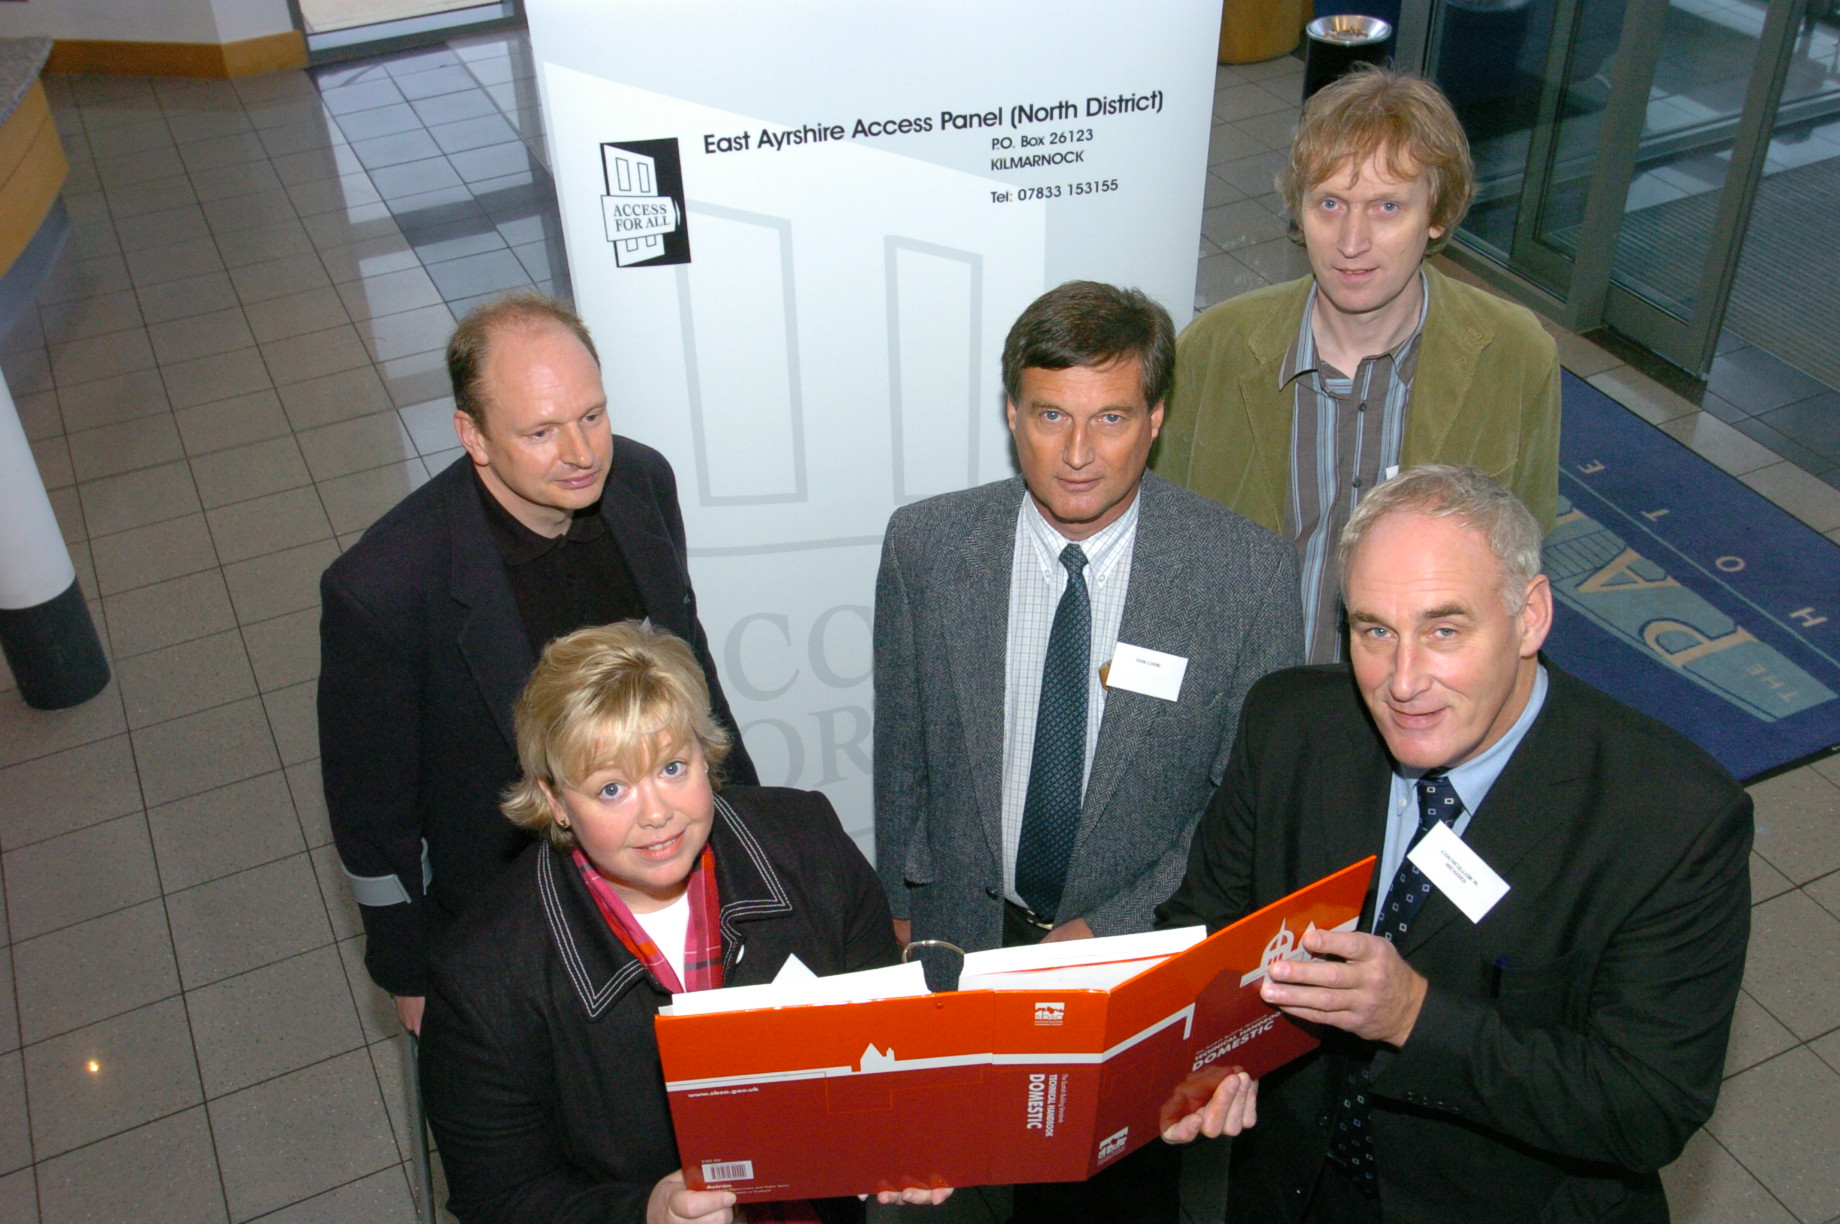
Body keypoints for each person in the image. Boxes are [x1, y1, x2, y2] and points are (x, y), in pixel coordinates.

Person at [1159, 465, 1752, 1223]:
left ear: (1531, 616)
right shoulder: (1290, 728)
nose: (1403, 681)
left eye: (1444, 630)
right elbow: (1203, 925)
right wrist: (1210, 1054)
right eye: (1374, 630)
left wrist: (1415, 1017)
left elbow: (1647, 1106)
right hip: (1290, 1191)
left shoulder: (1672, 820)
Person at [873, 280, 1302, 1222]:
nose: (1076, 453)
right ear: (1011, 416)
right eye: (1049, 416)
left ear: (1155, 418)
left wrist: (1111, 929)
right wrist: (902, 917)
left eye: (1109, 417)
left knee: (1111, 1202)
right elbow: (902, 746)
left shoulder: (1246, 576)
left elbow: (1242, 809)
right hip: (959, 952)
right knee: (951, 1192)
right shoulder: (928, 547)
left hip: (1134, 967)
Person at [319, 292, 756, 1036]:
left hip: (665, 876)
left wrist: (749, 831)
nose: (583, 454)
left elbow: (695, 681)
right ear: (474, 436)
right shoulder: (383, 591)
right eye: (542, 432)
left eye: (592, 415)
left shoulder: (643, 482)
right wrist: (407, 971)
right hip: (514, 911)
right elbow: (372, 816)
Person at [419, 621, 945, 1223]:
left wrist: (906, 1132)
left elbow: (889, 1034)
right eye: (611, 788)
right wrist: (644, 1213)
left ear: (705, 752)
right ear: (556, 801)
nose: (657, 814)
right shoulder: (482, 979)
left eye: (672, 768)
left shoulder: (808, 842)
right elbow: (499, 1201)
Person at [1153, 66, 1560, 664]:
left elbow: (1522, 553)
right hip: (1252, 696)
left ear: (1438, 213)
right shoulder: (1212, 350)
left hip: (1418, 699)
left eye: (1387, 207)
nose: (1351, 241)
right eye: (1330, 204)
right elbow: (1166, 550)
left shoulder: (1515, 355)